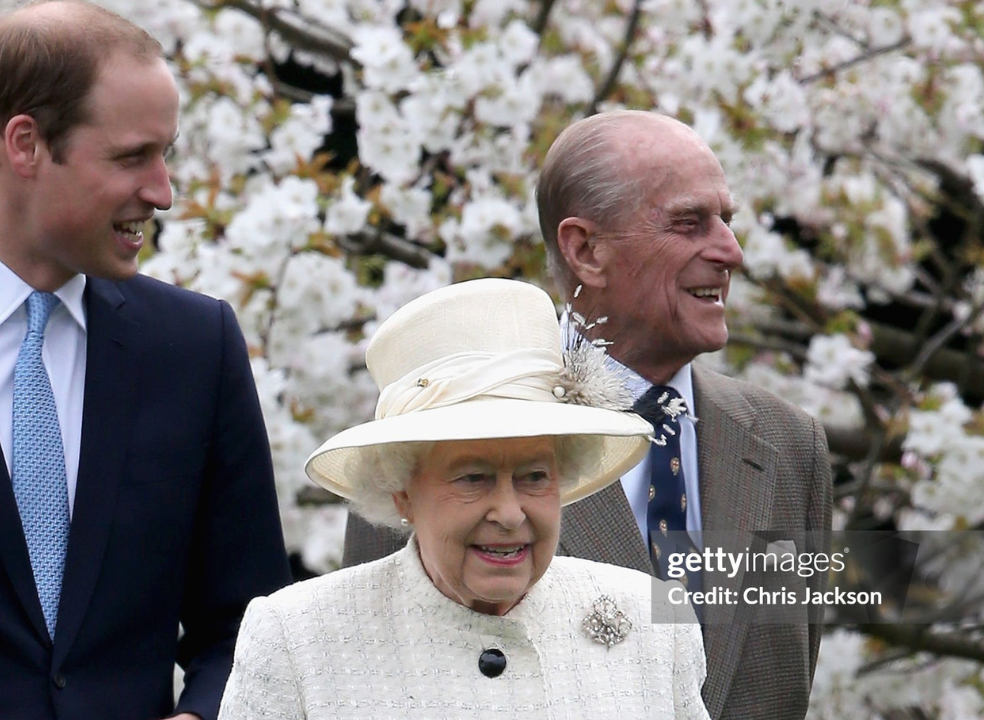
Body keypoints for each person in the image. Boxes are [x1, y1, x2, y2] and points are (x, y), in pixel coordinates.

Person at [342, 110, 833, 720]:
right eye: (689, 223)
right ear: (586, 250)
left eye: (726, 222)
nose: (730, 251)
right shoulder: (438, 430)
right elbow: (367, 674)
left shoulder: (788, 444)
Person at [0, 3, 290, 719]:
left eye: (167, 155)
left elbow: (254, 626)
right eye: (133, 156)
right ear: (26, 145)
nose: (163, 193)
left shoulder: (197, 348)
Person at [219, 278, 709, 719]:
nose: (510, 513)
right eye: (472, 478)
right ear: (402, 491)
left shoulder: (654, 617)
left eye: (535, 476)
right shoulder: (296, 637)